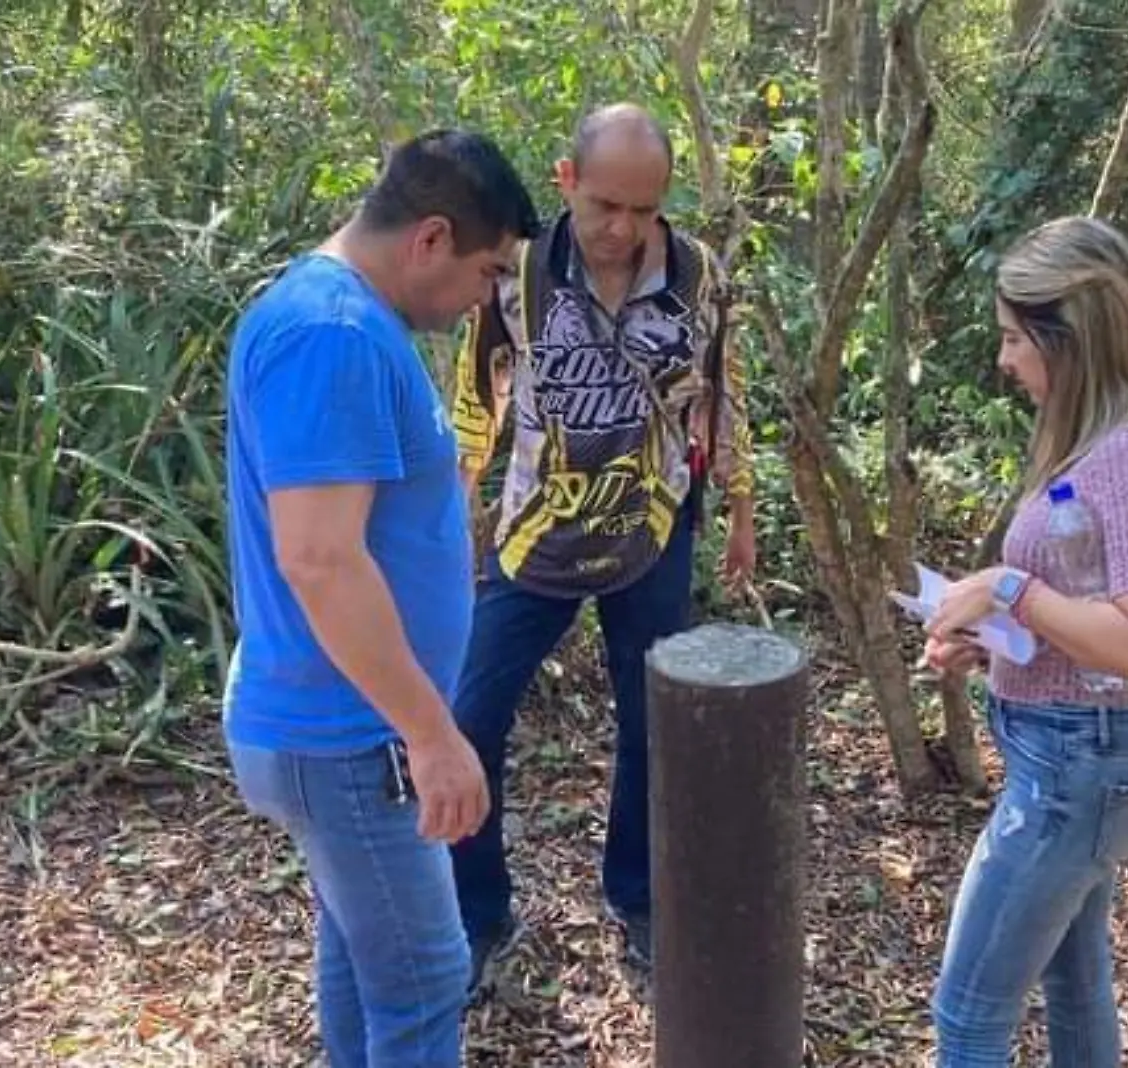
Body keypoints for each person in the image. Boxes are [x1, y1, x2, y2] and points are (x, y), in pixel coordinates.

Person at [220, 130, 540, 1068]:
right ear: (431, 239)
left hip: (345, 728)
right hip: (350, 736)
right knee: (424, 978)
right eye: (488, 272)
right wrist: (433, 734)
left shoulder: (337, 317)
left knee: (368, 959)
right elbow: (319, 559)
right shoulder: (333, 335)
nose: (487, 297)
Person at [448, 103, 758, 985]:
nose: (623, 229)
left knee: (653, 722)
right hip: (539, 532)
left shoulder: (699, 276)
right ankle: (477, 914)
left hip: (654, 523)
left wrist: (738, 505)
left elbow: (722, 396)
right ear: (567, 182)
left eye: (645, 209)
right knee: (470, 719)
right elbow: (480, 388)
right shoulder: (517, 273)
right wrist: (453, 493)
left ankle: (639, 895)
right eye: (605, 206)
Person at [921, 215, 1128, 1067]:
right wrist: (1001, 639)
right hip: (1075, 754)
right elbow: (1093, 613)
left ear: (1068, 337)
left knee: (967, 1017)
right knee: (1076, 993)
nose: (1004, 360)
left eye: (1014, 338)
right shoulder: (1097, 441)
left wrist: (1013, 591)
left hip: (1078, 771)